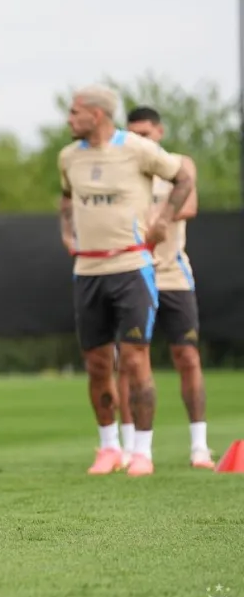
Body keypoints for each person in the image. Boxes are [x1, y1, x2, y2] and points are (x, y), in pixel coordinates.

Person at [58, 84, 196, 477]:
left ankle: (142, 452)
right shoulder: (68, 157)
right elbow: (67, 199)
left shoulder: (137, 148)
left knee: (135, 360)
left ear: (96, 115)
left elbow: (182, 177)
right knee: (97, 364)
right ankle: (108, 448)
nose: (69, 119)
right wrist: (66, 232)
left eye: (74, 112)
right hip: (87, 272)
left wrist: (164, 218)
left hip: (132, 268)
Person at [117, 106, 213, 469]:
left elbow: (187, 204)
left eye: (146, 133)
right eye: (133, 134)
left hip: (172, 274)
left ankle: (199, 446)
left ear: (160, 131)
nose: (140, 140)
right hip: (130, 272)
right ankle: (131, 448)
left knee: (187, 356)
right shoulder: (122, 169)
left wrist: (153, 218)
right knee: (129, 361)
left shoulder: (177, 164)